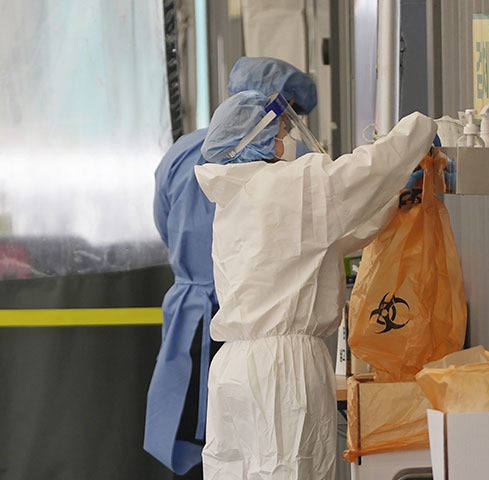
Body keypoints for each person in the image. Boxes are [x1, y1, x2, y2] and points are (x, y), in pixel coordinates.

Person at [194, 90, 437, 479]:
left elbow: (333, 237)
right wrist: (421, 129)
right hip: (280, 371)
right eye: (281, 131)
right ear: (254, 140)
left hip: (235, 370)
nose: (287, 139)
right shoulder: (283, 185)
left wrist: (393, 199)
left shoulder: (239, 196)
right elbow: (364, 172)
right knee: (291, 469)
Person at [144, 57, 318, 479]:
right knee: (242, 448)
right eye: (286, 117)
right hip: (245, 322)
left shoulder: (181, 151)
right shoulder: (272, 166)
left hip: (190, 315)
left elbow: (165, 226)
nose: (287, 133)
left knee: (200, 443)